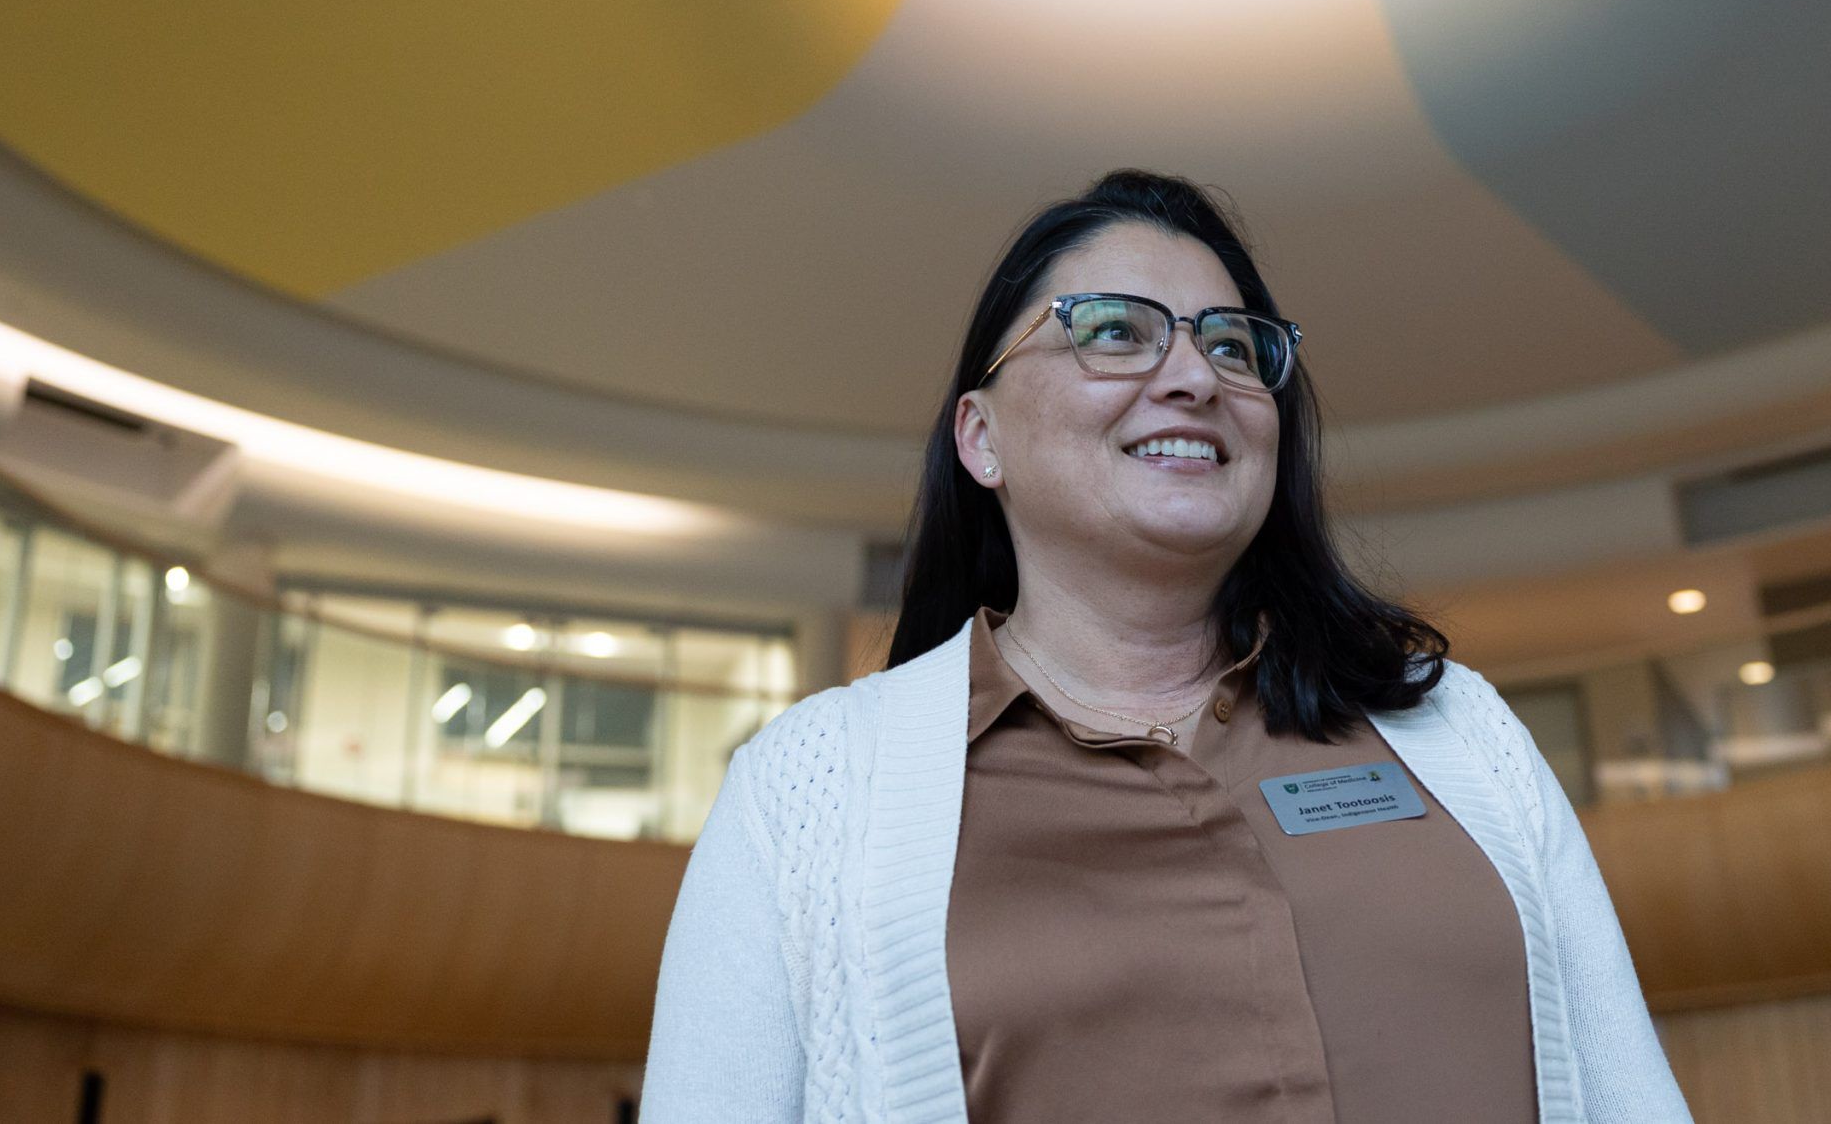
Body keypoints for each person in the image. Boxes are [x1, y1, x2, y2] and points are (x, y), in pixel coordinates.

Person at [642, 170, 1692, 1123]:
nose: (1194, 374)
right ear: (980, 437)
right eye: (1112, 330)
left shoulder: (1459, 728)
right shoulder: (807, 791)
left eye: (1233, 345)